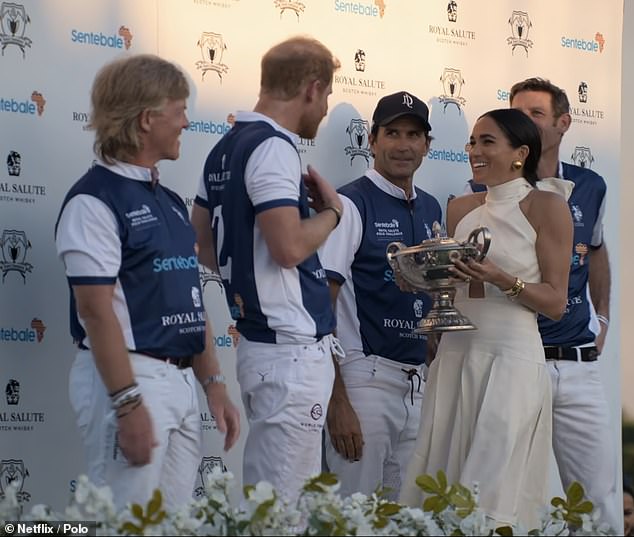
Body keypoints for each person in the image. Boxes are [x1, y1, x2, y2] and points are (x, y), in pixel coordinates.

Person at [54, 54, 240, 510]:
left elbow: (190, 300)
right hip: (130, 380)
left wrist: (213, 382)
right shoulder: (93, 201)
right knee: (129, 519)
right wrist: (127, 401)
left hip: (177, 382)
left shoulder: (172, 201)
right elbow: (96, 312)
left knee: (174, 522)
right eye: (179, 110)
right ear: (146, 119)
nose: (186, 122)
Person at [400, 108, 573, 529]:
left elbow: (555, 301)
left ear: (521, 153)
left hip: (511, 360)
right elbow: (455, 287)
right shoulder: (459, 208)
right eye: (472, 143)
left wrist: (502, 278)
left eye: (487, 142)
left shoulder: (547, 205)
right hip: (456, 356)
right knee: (441, 484)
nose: (475, 151)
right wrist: (419, 279)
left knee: (494, 489)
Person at [190, 36, 343, 503]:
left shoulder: (224, 146)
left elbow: (203, 246)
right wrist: (331, 214)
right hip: (289, 354)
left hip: (264, 350)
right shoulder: (273, 147)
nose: (325, 107)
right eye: (328, 95)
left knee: (270, 503)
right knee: (283, 512)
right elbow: (290, 248)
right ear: (313, 89)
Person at [465, 78, 618, 529]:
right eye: (515, 113)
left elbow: (596, 248)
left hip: (576, 364)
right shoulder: (486, 190)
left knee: (597, 498)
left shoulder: (590, 184)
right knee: (498, 493)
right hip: (512, 361)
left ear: (563, 123)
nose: (522, 122)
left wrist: (602, 313)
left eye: (534, 114)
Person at [319, 91, 442, 500]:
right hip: (363, 381)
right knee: (350, 517)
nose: (403, 145)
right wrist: (337, 398)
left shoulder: (431, 209)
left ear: (427, 145)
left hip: (417, 385)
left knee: (406, 520)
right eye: (392, 133)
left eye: (413, 134)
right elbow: (324, 300)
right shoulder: (350, 202)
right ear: (372, 141)